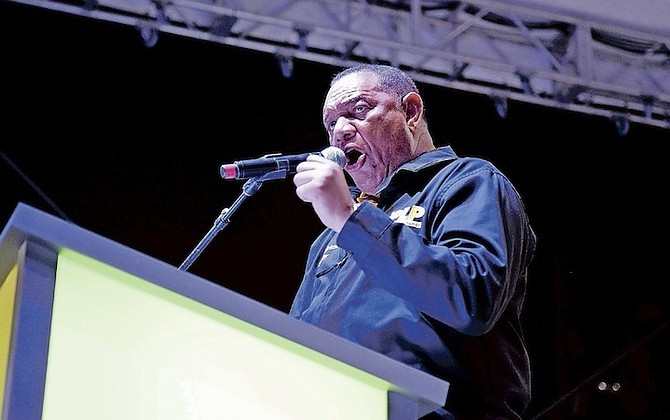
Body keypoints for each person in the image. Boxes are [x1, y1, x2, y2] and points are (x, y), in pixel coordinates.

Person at [290, 63, 537, 420]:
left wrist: (350, 218)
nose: (340, 131)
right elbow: (300, 336)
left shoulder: (468, 181)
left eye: (358, 110)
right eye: (331, 123)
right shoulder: (330, 236)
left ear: (411, 111)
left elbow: (471, 298)